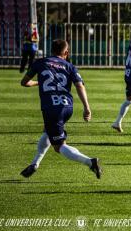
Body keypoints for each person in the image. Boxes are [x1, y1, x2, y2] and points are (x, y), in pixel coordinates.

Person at [18, 39, 101, 179]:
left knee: (59, 146)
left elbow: (24, 82)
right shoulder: (69, 66)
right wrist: (87, 108)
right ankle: (34, 164)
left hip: (51, 108)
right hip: (67, 106)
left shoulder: (40, 62)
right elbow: (80, 86)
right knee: (47, 131)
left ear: (52, 50)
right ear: (66, 52)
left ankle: (90, 162)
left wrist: (39, 82)